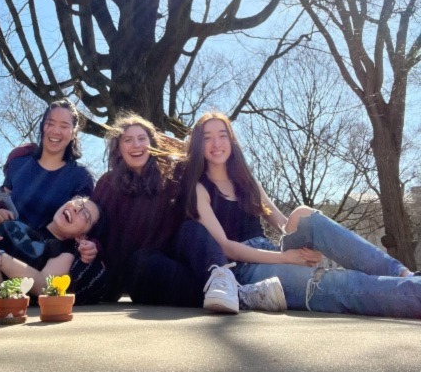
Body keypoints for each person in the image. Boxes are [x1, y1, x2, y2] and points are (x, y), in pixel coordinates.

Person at [180, 111, 421, 318]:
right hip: (246, 269)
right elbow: (226, 248)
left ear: (231, 141)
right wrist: (288, 259)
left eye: (222, 135)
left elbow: (283, 224)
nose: (216, 143)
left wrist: (306, 250)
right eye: (207, 138)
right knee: (338, 282)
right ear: (198, 145)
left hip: (272, 251)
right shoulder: (200, 189)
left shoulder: (246, 181)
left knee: (303, 214)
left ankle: (403, 273)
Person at [94, 113, 286, 313]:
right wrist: (92, 244)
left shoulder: (172, 176)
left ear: (152, 144)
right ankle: (242, 295)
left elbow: (194, 153)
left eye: (142, 139)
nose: (136, 145)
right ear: (118, 147)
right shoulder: (108, 184)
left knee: (191, 228)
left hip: (185, 259)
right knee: (141, 262)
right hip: (148, 270)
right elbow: (95, 221)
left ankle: (225, 282)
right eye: (128, 140)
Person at [0, 98, 104, 304]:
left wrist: (93, 245)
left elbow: (85, 220)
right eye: (50, 123)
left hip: (36, 262)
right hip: (1, 241)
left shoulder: (80, 177)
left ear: (73, 132)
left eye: (64, 126)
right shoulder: (19, 164)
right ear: (42, 125)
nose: (55, 131)